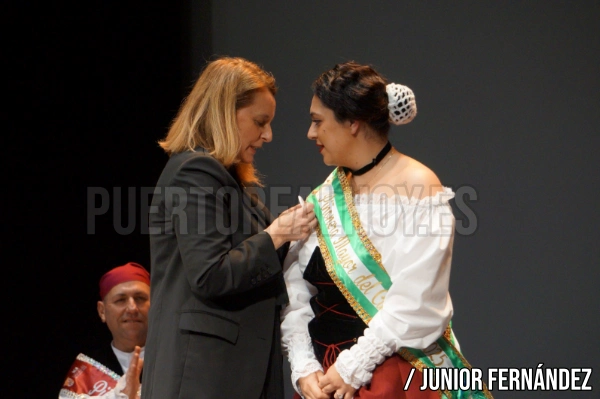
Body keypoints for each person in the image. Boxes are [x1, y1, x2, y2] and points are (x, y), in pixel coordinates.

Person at [281, 62, 493, 399]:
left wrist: (353, 366)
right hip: (326, 384)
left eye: (318, 121)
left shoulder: (418, 187)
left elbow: (418, 301)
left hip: (390, 379)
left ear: (353, 122)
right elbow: (297, 293)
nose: (310, 133)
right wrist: (304, 367)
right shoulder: (325, 196)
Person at [141, 56, 317, 399]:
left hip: (236, 375)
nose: (267, 135)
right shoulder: (194, 172)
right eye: (259, 122)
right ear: (224, 112)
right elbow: (210, 274)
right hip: (202, 378)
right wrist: (279, 233)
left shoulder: (234, 185)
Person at [59, 262, 150, 399]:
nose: (132, 308)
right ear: (102, 311)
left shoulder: (177, 359)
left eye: (140, 298)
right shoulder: (86, 371)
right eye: (121, 300)